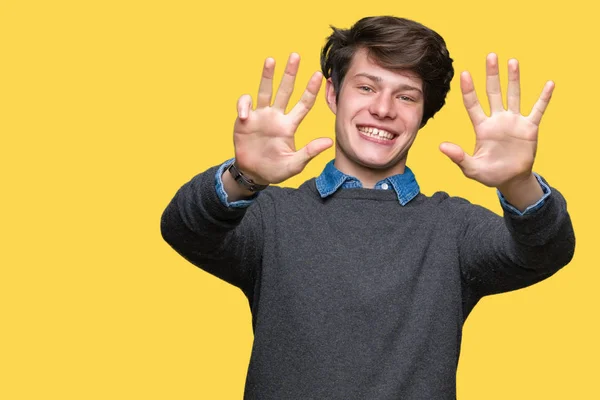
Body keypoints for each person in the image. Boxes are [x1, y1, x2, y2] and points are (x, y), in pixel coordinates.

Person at [160, 15, 575, 400]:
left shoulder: (453, 228)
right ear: (333, 93)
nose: (383, 109)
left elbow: (546, 252)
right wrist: (244, 175)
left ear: (423, 114)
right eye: (366, 87)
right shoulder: (271, 216)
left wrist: (518, 182)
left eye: (406, 96)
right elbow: (183, 228)